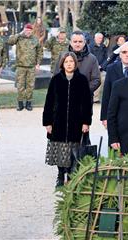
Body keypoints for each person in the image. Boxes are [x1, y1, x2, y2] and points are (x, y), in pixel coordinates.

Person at [43, 52, 92, 187]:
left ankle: (71, 174)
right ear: (62, 64)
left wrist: (86, 122)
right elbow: (49, 101)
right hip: (58, 120)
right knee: (60, 149)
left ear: (75, 63)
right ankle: (60, 174)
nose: (69, 64)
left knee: (73, 149)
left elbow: (87, 103)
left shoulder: (81, 80)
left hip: (76, 121)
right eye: (66, 62)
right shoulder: (56, 79)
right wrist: (47, 122)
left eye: (71, 61)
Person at [53, 31, 101, 102]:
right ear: (70, 42)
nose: (77, 44)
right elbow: (56, 75)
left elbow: (96, 80)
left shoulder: (92, 59)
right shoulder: (63, 56)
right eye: (75, 41)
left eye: (80, 41)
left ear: (84, 43)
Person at [7, 23, 43, 111]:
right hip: (20, 66)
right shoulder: (19, 38)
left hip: (31, 67)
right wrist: (19, 33)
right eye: (26, 30)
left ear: (32, 31)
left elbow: (39, 52)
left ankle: (28, 103)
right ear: (24, 30)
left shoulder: (35, 40)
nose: (28, 32)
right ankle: (20, 104)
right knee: (20, 86)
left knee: (30, 86)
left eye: (30, 30)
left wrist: (38, 64)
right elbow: (10, 41)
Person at [100, 42, 128, 128]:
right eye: (124, 52)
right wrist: (104, 117)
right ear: (119, 55)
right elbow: (106, 94)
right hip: (116, 114)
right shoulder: (111, 69)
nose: (127, 55)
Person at [89, 32, 108, 103]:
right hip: (92, 68)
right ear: (95, 38)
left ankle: (96, 98)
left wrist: (102, 66)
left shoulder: (104, 47)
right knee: (92, 82)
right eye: (99, 38)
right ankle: (91, 96)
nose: (100, 39)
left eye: (101, 38)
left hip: (101, 68)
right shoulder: (90, 46)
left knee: (102, 80)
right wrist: (95, 66)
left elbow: (106, 58)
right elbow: (89, 57)